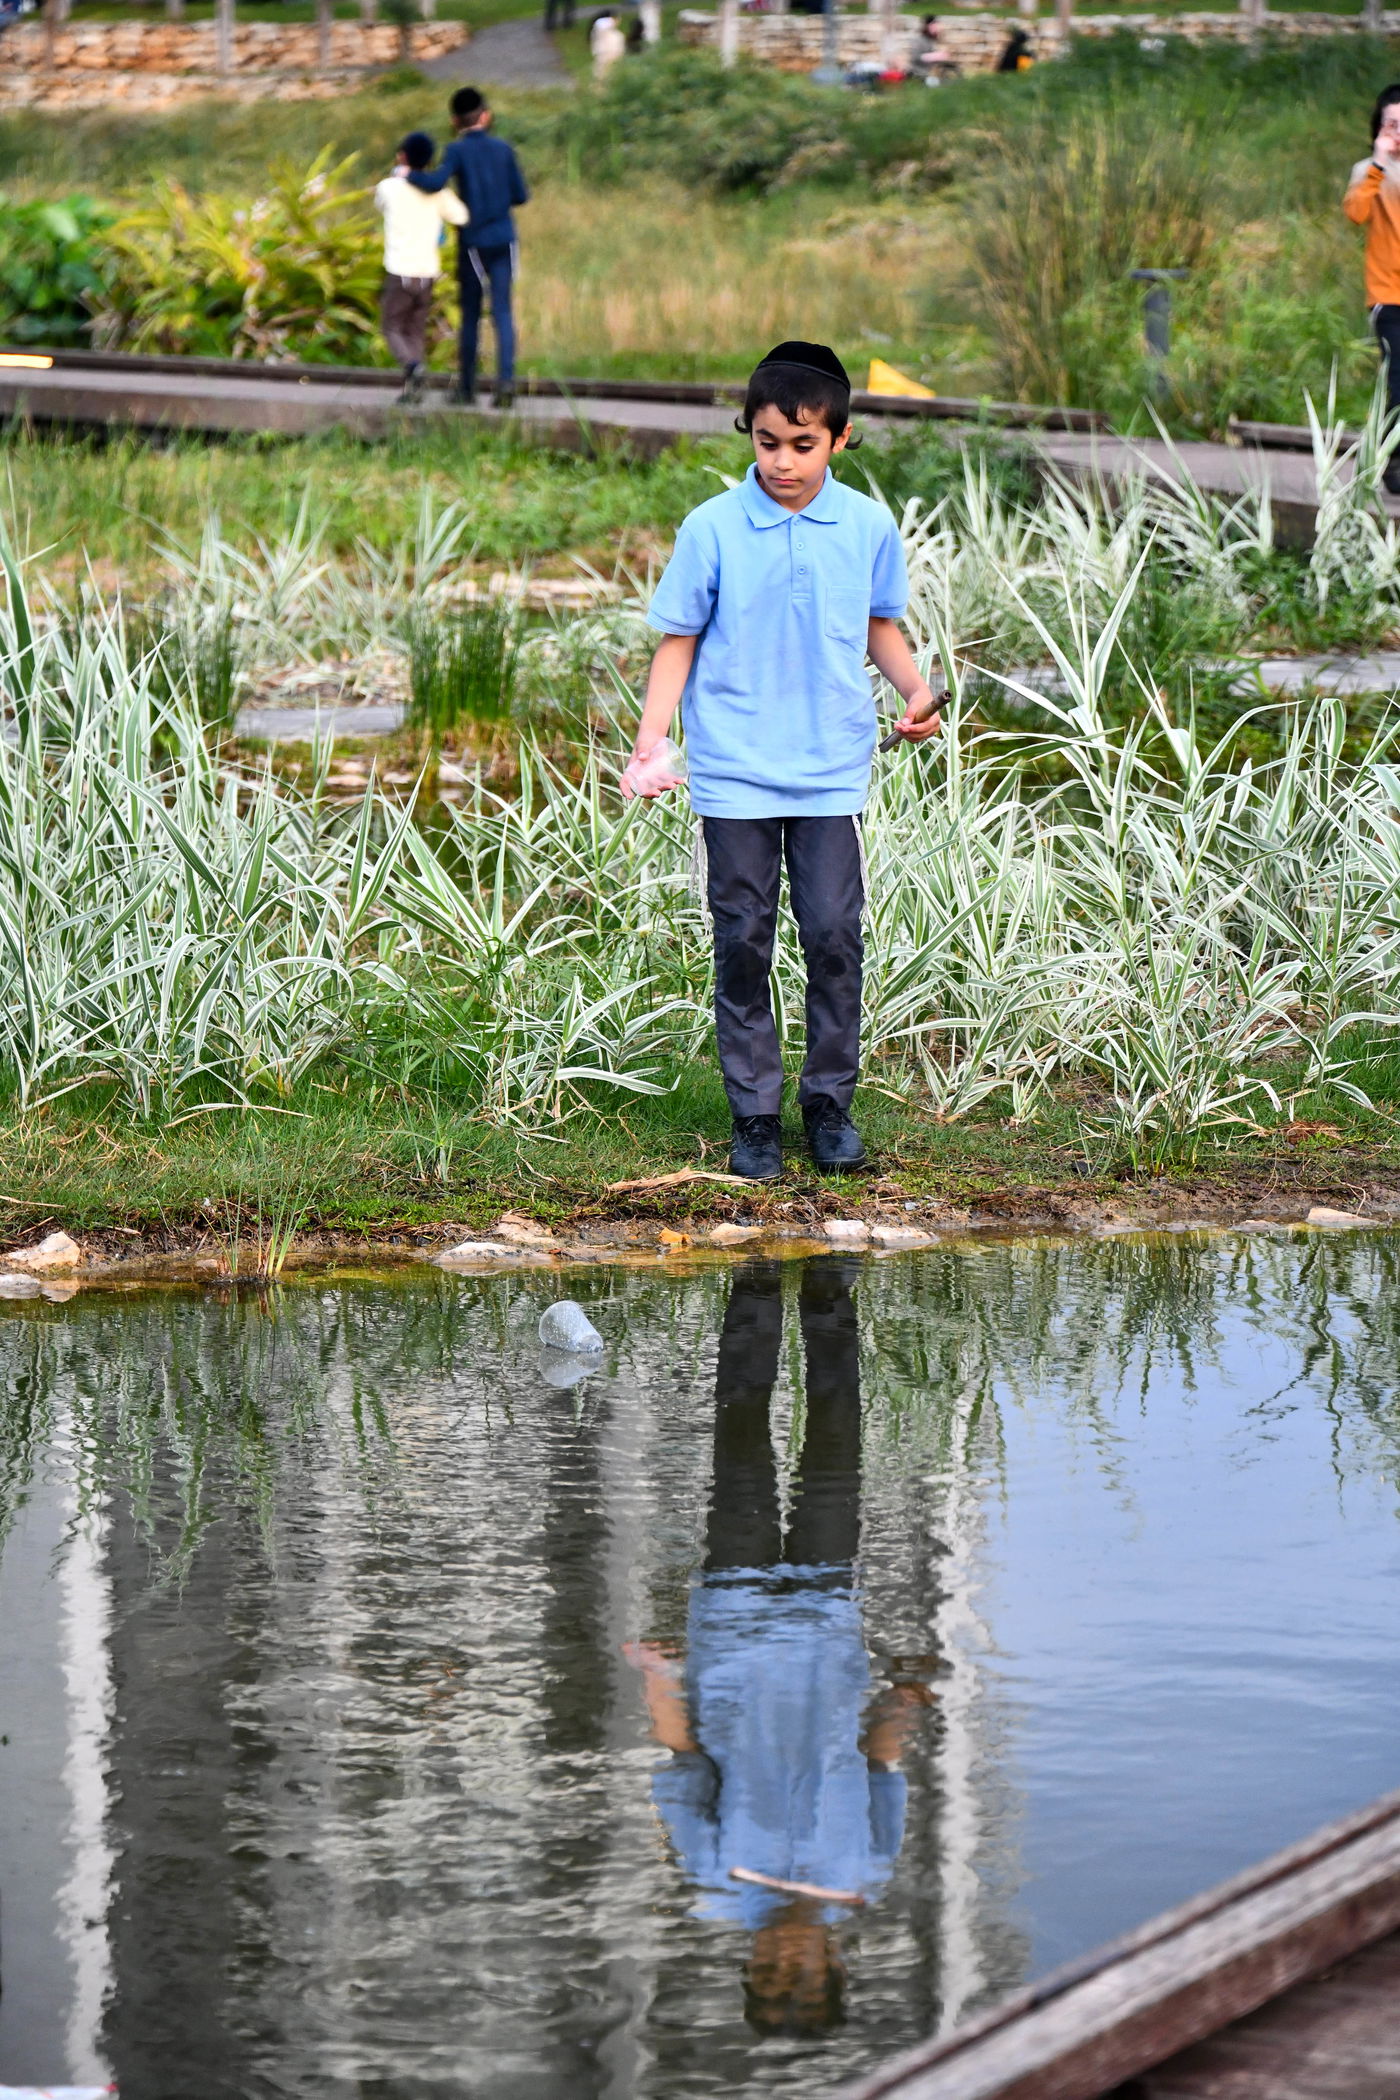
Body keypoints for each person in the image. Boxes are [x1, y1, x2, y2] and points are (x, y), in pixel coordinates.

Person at [623, 341, 940, 1182]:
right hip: (732, 771)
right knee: (743, 940)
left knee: (835, 935)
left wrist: (916, 691)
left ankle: (829, 1105)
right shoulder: (713, 526)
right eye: (768, 443)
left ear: (838, 440)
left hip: (831, 766)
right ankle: (755, 1117)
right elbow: (677, 640)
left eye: (803, 445)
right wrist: (652, 740)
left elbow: (879, 626)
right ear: (750, 436)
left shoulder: (868, 525)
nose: (783, 462)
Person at [626, 1261, 931, 2035]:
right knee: (836, 1440)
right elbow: (880, 1763)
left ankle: (755, 1285)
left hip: (734, 1624)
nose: (779, 1959)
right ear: (834, 1966)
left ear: (750, 1966)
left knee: (741, 1443)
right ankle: (829, 1292)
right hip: (827, 1620)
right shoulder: (867, 1873)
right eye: (797, 1974)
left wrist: (659, 1675)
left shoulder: (714, 1877)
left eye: (765, 1975)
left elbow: (686, 1765)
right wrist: (908, 1697)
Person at [406, 86, 529, 410]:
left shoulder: (457, 151)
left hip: (473, 243)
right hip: (505, 239)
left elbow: (435, 183)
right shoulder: (504, 149)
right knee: (502, 312)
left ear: (454, 120)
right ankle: (506, 384)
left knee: (472, 315)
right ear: (486, 116)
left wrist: (408, 174)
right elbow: (521, 195)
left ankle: (468, 388)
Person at [372, 132, 467, 406]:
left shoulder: (389, 187)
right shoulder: (440, 194)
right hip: (428, 273)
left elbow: (381, 202)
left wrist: (399, 176)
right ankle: (414, 387)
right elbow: (462, 215)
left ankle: (412, 367)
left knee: (391, 327)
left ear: (403, 157)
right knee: (415, 330)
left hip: (399, 270)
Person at [1345, 83, 1400, 495]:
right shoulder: (1368, 171)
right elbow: (1356, 213)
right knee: (1398, 379)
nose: (1398, 131)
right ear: (1378, 128)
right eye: (1391, 124)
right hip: (1388, 295)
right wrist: (1380, 163)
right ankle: (1392, 461)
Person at [590, 9, 626, 75]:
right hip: (605, 58)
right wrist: (613, 20)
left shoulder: (615, 34)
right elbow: (600, 24)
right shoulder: (602, 30)